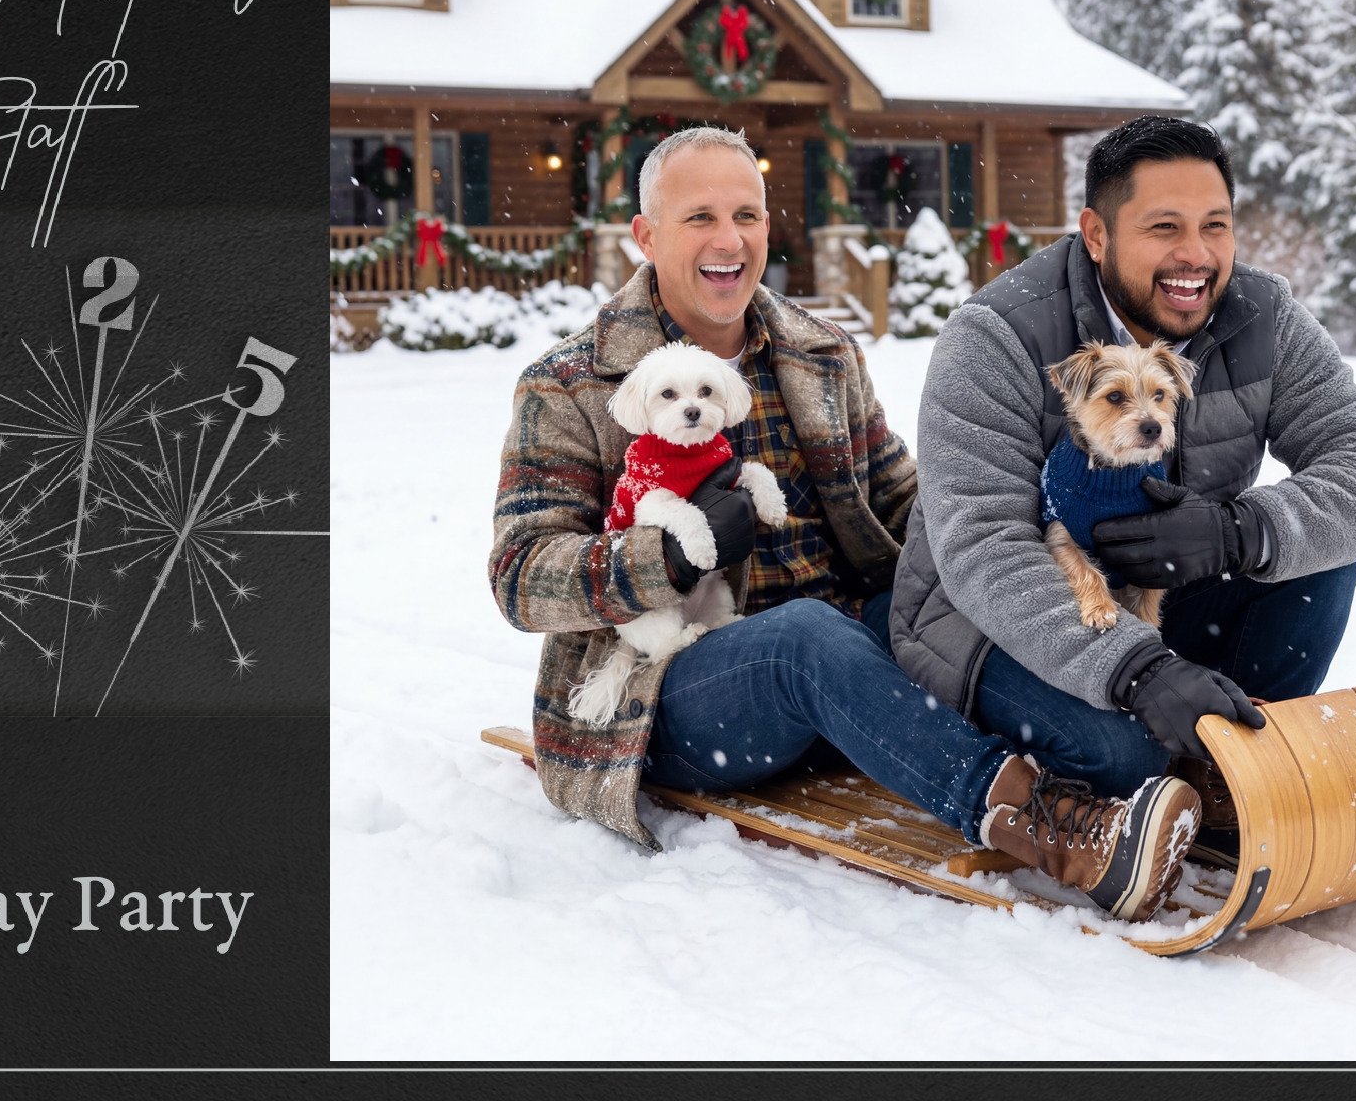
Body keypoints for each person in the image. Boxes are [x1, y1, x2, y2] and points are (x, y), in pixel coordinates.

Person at [489, 125, 1207, 922]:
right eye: (698, 218)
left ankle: (1165, 778)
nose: (730, 240)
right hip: (678, 682)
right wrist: (663, 557)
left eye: (747, 216)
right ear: (645, 235)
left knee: (1115, 748)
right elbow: (521, 574)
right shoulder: (571, 383)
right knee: (804, 637)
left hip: (856, 640)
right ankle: (1047, 828)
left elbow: (899, 497)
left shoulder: (820, 351)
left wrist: (1003, 525)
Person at [891, 116, 1356, 859]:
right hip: (990, 618)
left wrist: (1238, 531)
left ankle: (1229, 768)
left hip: (1164, 598)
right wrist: (1136, 669)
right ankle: (1150, 758)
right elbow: (980, 548)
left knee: (1315, 546)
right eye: (1164, 227)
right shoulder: (996, 335)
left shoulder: (1265, 319)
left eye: (1216, 226)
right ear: (1097, 235)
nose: (1196, 256)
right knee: (1125, 759)